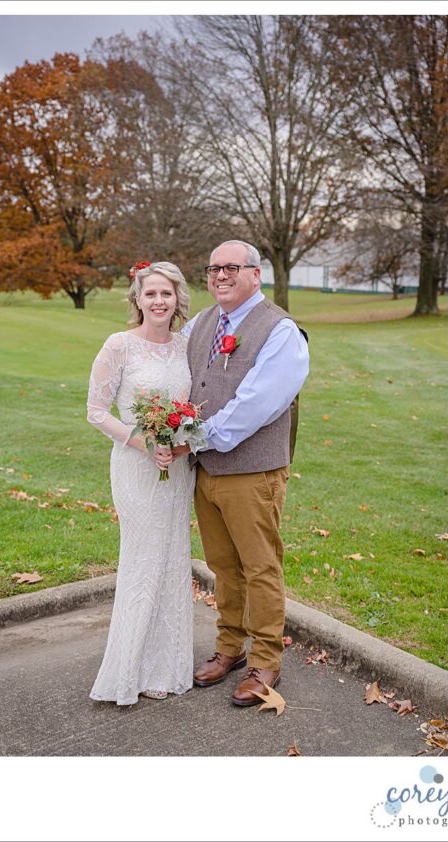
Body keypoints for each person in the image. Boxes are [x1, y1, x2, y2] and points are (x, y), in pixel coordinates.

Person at [175, 240, 309, 706]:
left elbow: (257, 403)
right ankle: (229, 648)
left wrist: (195, 437)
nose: (220, 275)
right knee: (222, 566)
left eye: (231, 267)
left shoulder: (280, 331)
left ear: (256, 274)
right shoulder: (204, 323)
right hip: (206, 470)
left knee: (260, 567)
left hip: (252, 471)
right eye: (213, 268)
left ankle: (266, 659)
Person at [87, 261, 195, 705]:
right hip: (135, 466)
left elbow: (192, 410)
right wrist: (143, 443)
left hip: (178, 469)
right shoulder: (119, 346)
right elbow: (96, 411)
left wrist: (181, 445)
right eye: (150, 294)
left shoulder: (187, 346)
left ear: (177, 299)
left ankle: (165, 668)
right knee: (143, 560)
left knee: (172, 559)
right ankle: (127, 671)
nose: (158, 301)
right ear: (137, 299)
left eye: (166, 294)